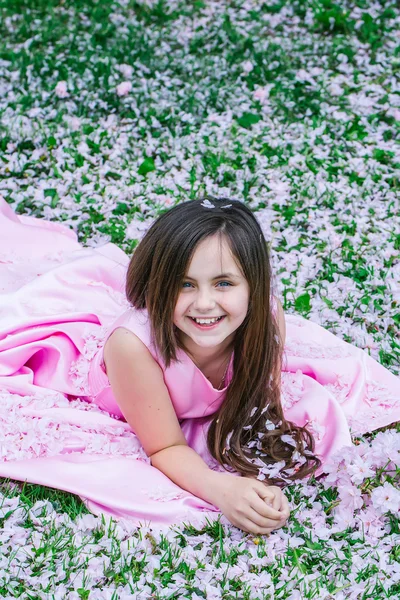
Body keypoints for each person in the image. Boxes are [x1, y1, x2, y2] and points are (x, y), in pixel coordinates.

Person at [0, 195, 398, 534]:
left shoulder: (264, 316)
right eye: (184, 284)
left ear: (253, 286)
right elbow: (165, 445)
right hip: (116, 382)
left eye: (223, 283)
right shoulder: (132, 347)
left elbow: (256, 395)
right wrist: (222, 489)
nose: (204, 303)